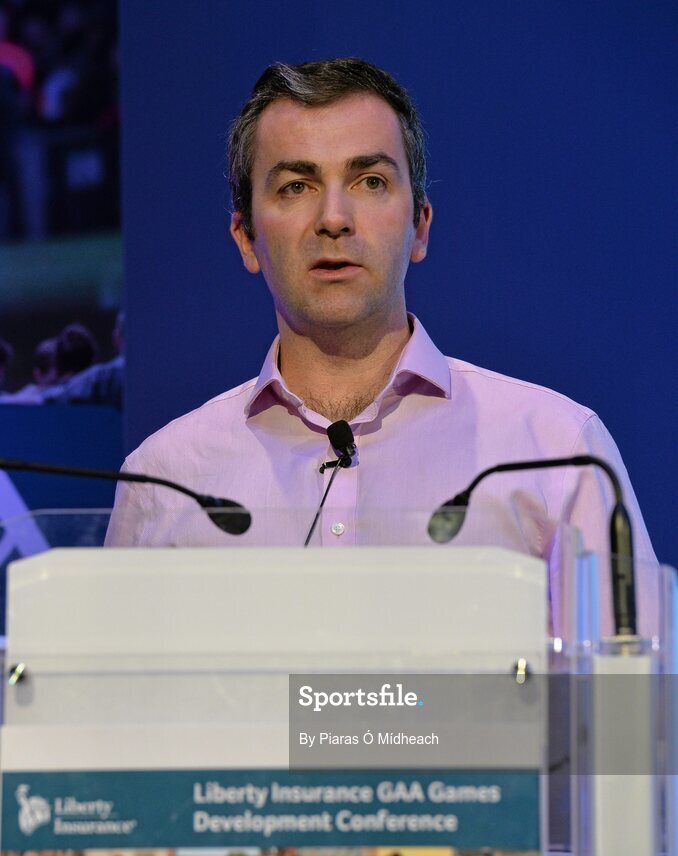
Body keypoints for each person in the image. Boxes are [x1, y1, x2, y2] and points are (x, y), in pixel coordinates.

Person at [105, 58, 655, 633]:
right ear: (247, 239)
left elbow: (633, 713)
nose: (334, 218)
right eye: (297, 186)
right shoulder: (163, 482)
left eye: (370, 181)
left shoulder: (557, 452)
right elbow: (115, 716)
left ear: (419, 225)